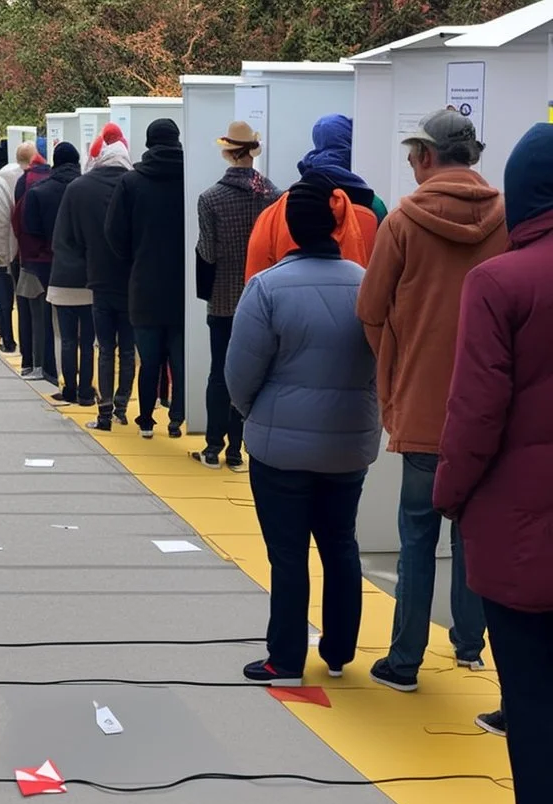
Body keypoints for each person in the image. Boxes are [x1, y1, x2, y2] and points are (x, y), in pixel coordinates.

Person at [433, 123, 553, 804]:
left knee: (535, 703)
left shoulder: (503, 283)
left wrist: (448, 492)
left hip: (523, 529)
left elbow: (476, 411)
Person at [356, 108, 507, 693]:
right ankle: (470, 645)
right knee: (472, 528)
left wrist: (397, 360)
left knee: (415, 533)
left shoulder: (401, 223)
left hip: (422, 405)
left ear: (426, 157)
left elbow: (370, 309)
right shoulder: (509, 219)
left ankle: (404, 661)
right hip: (489, 409)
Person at [225, 181, 380, 684]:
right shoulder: (365, 281)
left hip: (280, 445)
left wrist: (254, 413)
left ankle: (286, 658)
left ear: (289, 226)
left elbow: (240, 373)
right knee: (340, 543)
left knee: (287, 552)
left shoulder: (267, 287)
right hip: (349, 441)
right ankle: (338, 651)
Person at [193, 121, 280, 470]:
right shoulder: (274, 196)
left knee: (219, 372)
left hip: (224, 298)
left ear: (228, 153)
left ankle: (213, 446)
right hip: (261, 301)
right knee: (254, 373)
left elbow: (208, 253)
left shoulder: (210, 199)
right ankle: (238, 448)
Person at [106, 118, 184, 439]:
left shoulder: (131, 182)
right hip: (183, 285)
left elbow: (114, 233)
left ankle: (147, 419)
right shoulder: (191, 178)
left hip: (144, 282)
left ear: (149, 142)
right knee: (179, 359)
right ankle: (178, 417)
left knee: (149, 359)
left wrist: (132, 260)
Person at [53, 132, 134, 431]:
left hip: (98, 278)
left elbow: (66, 238)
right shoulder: (134, 184)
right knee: (128, 346)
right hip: (130, 278)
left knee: (104, 346)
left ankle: (104, 410)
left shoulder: (79, 187)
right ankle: (123, 405)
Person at [245, 114, 386, 280]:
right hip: (354, 300)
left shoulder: (283, 207)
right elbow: (386, 269)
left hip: (289, 300)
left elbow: (256, 271)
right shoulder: (373, 205)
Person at [23, 142, 90, 405]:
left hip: (55, 268)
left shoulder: (38, 191)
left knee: (64, 334)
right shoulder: (89, 188)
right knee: (88, 338)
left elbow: (32, 230)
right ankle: (87, 390)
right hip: (89, 271)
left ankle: (66, 384)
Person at [0, 140, 37, 366]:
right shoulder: (42, 176)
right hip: (38, 253)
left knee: (12, 301)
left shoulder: (3, 178)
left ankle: (12, 343)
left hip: (13, 251)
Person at [12, 151, 57, 383]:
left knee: (33, 313)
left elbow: (19, 220)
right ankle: (50, 367)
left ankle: (32, 363)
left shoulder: (25, 183)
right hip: (61, 260)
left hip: (32, 260)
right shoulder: (62, 183)